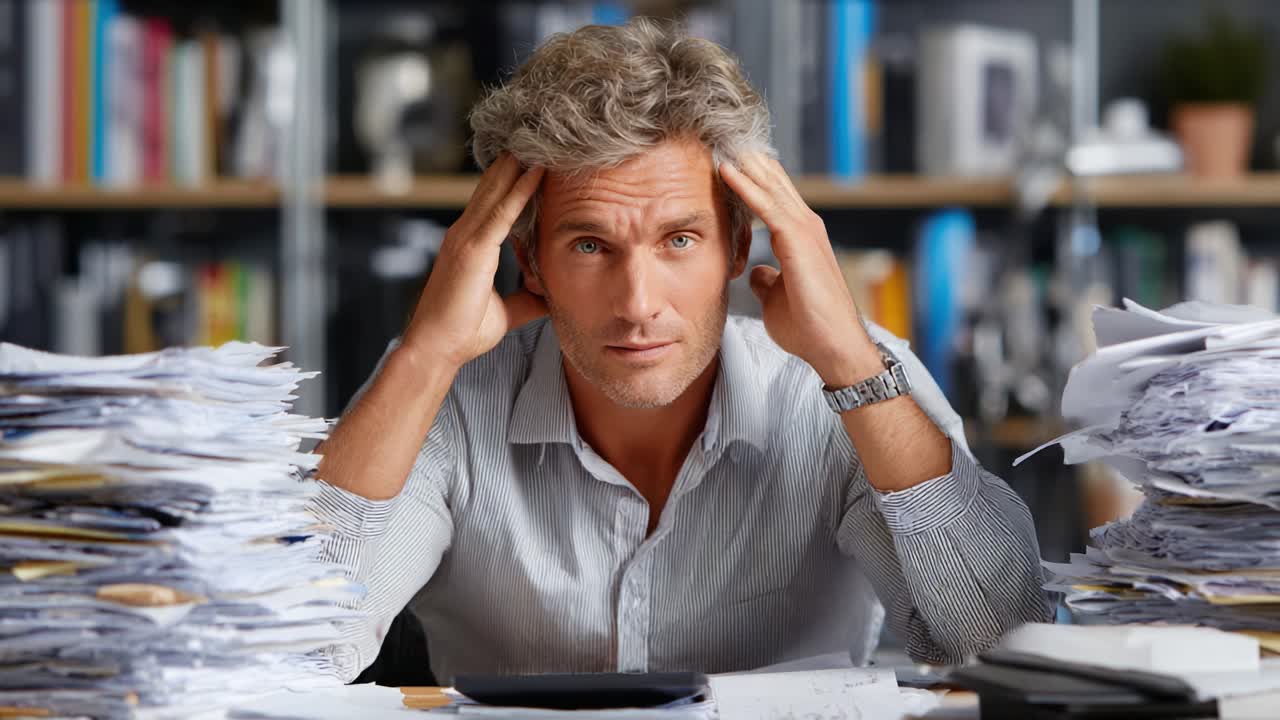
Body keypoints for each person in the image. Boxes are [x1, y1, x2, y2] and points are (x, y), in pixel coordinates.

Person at [312, 17, 1049, 685]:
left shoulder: (849, 380)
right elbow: (298, 649)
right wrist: (424, 355)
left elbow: (998, 643)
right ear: (529, 263)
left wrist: (851, 363)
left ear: (738, 245)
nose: (638, 304)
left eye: (679, 240)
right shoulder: (440, 385)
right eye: (591, 244)